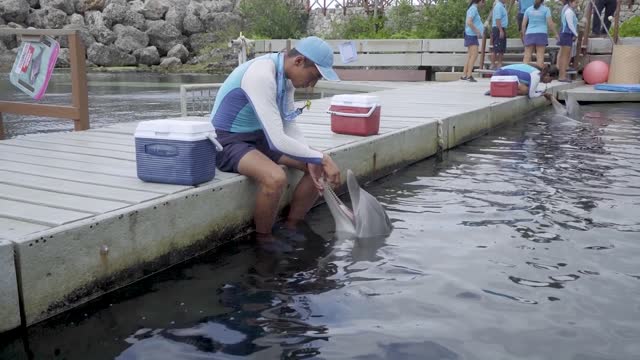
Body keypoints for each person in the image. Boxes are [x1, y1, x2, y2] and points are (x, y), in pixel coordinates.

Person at [210, 36, 342, 245]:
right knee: (275, 178)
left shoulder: (286, 78)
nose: (313, 84)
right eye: (314, 76)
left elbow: (289, 125)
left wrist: (314, 158)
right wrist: (322, 157)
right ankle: (264, 240)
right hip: (227, 141)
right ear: (298, 61)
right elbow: (277, 141)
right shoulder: (261, 74)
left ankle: (293, 225)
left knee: (316, 166)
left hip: (258, 138)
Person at [522, 0, 559, 68]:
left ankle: (524, 74)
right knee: (540, 56)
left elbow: (523, 25)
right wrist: (556, 34)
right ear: (543, 1)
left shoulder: (528, 9)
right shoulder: (546, 9)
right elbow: (550, 23)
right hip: (541, 34)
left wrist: (524, 36)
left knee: (527, 56)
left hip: (530, 34)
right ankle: (539, 76)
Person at [490, 63, 559, 98]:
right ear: (547, 75)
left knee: (526, 88)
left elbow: (534, 90)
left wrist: (540, 93)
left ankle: (499, 90)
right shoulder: (536, 75)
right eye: (551, 79)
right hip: (498, 77)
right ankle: (498, 91)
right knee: (525, 90)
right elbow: (531, 95)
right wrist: (543, 94)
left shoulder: (537, 73)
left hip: (499, 76)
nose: (550, 82)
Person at [462, 0, 486, 82]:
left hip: (470, 35)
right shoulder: (473, 9)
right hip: (471, 35)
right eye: (483, 2)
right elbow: (469, 22)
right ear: (480, 1)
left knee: (470, 55)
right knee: (474, 55)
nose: (484, 4)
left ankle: (465, 75)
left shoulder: (473, 8)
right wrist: (477, 31)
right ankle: (469, 75)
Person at [557, 0, 578, 82]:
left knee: (565, 55)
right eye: (575, 3)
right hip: (566, 34)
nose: (576, 5)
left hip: (567, 34)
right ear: (570, 3)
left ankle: (562, 75)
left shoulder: (570, 11)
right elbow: (570, 24)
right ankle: (562, 76)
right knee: (564, 56)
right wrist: (576, 34)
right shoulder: (569, 11)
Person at [491, 0, 509, 69]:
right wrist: (501, 30)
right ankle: (493, 64)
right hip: (498, 28)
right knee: (496, 48)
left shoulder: (502, 6)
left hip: (502, 28)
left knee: (502, 48)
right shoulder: (498, 6)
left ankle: (499, 63)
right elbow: (497, 19)